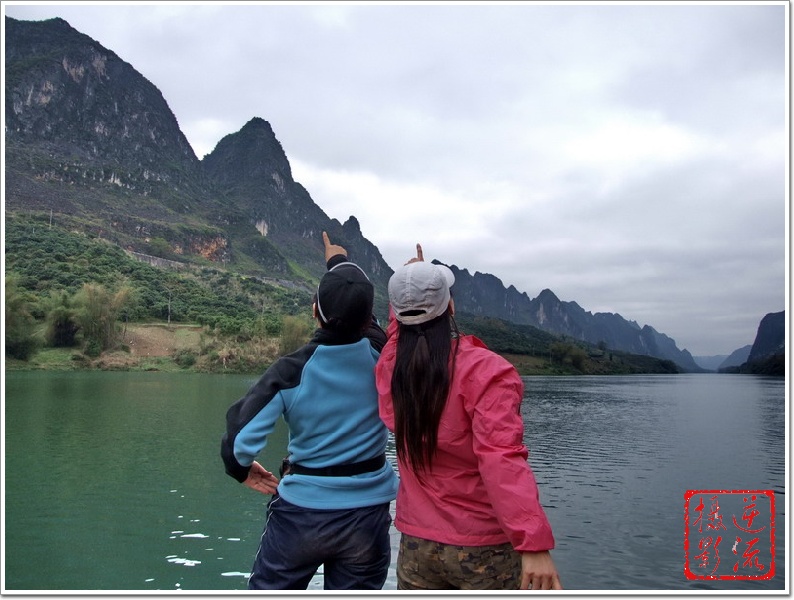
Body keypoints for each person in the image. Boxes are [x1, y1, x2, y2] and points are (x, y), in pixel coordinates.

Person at [374, 243, 563, 591]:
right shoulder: (487, 372)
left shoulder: (392, 367)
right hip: (484, 549)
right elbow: (501, 458)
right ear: (450, 306)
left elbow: (399, 332)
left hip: (417, 546)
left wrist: (409, 286)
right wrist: (533, 543)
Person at [220, 232, 399, 590]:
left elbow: (239, 443)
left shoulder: (291, 371)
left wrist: (240, 470)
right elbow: (365, 316)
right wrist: (339, 262)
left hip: (301, 515)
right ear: (369, 318)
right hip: (368, 515)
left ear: (315, 310)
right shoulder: (381, 355)